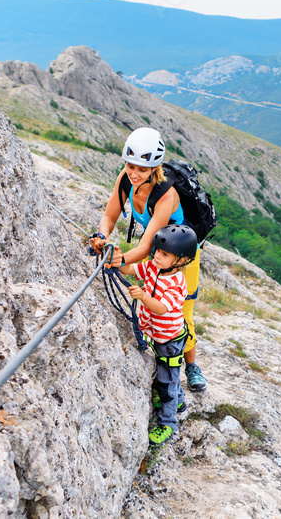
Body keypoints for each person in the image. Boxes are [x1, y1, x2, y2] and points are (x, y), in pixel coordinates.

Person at [89, 128, 208, 392]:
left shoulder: (167, 195)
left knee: (180, 313)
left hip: (182, 260)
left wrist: (117, 259)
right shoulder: (125, 179)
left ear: (154, 168)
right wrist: (102, 236)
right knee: (150, 301)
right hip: (159, 251)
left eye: (142, 169)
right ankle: (160, 350)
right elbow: (109, 217)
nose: (134, 173)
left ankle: (191, 366)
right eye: (130, 166)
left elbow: (144, 247)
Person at [118, 224, 198, 447]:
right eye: (156, 251)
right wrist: (117, 262)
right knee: (169, 375)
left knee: (166, 381)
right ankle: (179, 402)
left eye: (164, 254)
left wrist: (142, 297)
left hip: (170, 340)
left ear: (181, 260)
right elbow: (132, 270)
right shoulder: (154, 267)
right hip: (158, 334)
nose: (157, 256)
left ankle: (168, 423)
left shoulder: (177, 283)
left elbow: (161, 308)